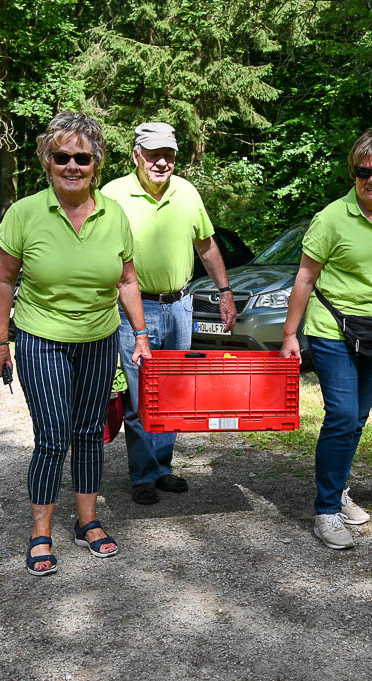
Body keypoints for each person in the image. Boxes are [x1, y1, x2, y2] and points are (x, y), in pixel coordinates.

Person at [0, 112, 152, 576]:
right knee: (53, 437)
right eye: (62, 157)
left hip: (99, 339)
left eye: (82, 157)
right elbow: (3, 281)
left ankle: (88, 521)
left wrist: (140, 335)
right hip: (42, 338)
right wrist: (0, 342)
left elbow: (126, 280)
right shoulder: (25, 213)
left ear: (96, 163)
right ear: (48, 161)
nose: (72, 165)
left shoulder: (113, 213)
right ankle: (41, 531)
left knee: (90, 434)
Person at [280, 128, 372, 550]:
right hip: (332, 329)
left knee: (358, 418)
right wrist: (290, 333)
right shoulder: (331, 218)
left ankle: (338, 491)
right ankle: (325, 510)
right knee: (341, 415)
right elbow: (305, 276)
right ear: (353, 173)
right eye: (364, 171)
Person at [102, 122, 237, 505]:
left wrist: (225, 293)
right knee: (141, 394)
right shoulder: (112, 194)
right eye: (154, 154)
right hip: (134, 309)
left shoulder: (187, 192)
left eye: (169, 155)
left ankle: (162, 468)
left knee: (174, 393)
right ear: (136, 156)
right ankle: (142, 474)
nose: (162, 162)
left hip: (180, 305)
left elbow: (207, 246)